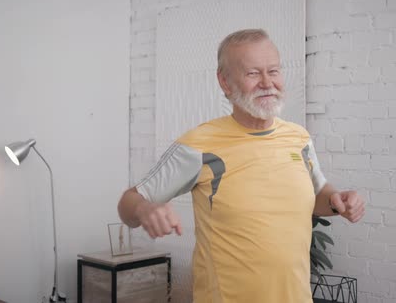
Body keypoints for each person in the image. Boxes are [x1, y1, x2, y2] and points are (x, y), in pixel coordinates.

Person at [118, 29, 365, 302]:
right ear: (225, 82)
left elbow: (317, 197)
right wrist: (144, 209)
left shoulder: (299, 138)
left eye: (273, 71)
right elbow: (128, 203)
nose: (267, 82)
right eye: (252, 73)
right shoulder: (199, 145)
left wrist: (336, 201)